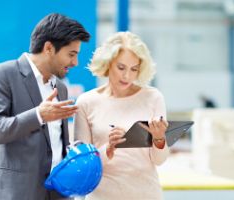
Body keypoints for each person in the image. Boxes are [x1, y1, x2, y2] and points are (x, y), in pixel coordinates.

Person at [0, 13, 90, 200]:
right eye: (71, 54)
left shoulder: (60, 88)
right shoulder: (2, 74)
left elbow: (52, 144)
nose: (75, 62)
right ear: (48, 48)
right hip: (17, 194)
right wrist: (38, 115)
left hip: (57, 194)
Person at [73, 32, 170, 200]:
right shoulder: (86, 102)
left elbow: (159, 160)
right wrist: (107, 149)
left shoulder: (153, 98)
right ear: (107, 63)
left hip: (146, 194)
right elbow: (82, 165)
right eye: (121, 67)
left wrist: (159, 138)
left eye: (134, 69)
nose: (127, 76)